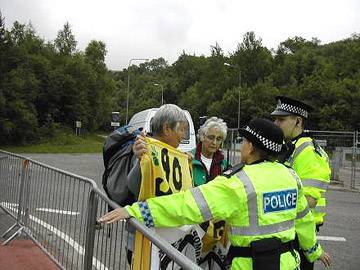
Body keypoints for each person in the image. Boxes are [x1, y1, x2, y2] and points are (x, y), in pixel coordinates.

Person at [99, 118, 331, 270]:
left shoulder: (240, 182)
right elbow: (304, 219)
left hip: (251, 265)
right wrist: (314, 251)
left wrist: (135, 210)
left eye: (243, 141)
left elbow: (187, 205)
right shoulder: (291, 176)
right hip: (290, 263)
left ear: (250, 147)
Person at [271, 96, 331, 270]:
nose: (276, 123)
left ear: (298, 121)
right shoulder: (289, 147)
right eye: (275, 119)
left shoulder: (309, 152)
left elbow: (309, 201)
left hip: (300, 233)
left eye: (281, 119)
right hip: (287, 229)